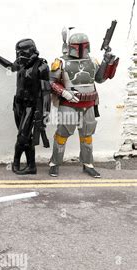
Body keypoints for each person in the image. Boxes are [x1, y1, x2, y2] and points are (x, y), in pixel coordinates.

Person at [48, 27, 119, 178]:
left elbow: (100, 79)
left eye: (83, 45)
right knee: (62, 134)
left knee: (87, 136)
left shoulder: (93, 61)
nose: (80, 49)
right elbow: (51, 82)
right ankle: (54, 163)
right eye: (77, 46)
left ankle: (88, 164)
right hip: (68, 104)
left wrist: (108, 61)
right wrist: (65, 93)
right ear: (69, 46)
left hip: (89, 104)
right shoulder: (60, 62)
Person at [0, 39, 51, 174]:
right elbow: (11, 67)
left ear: (31, 51)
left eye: (22, 52)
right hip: (18, 104)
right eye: (18, 52)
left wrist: (45, 113)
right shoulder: (21, 64)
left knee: (22, 137)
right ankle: (31, 166)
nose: (19, 56)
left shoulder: (42, 66)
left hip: (31, 106)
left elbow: (46, 92)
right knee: (26, 137)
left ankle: (15, 163)